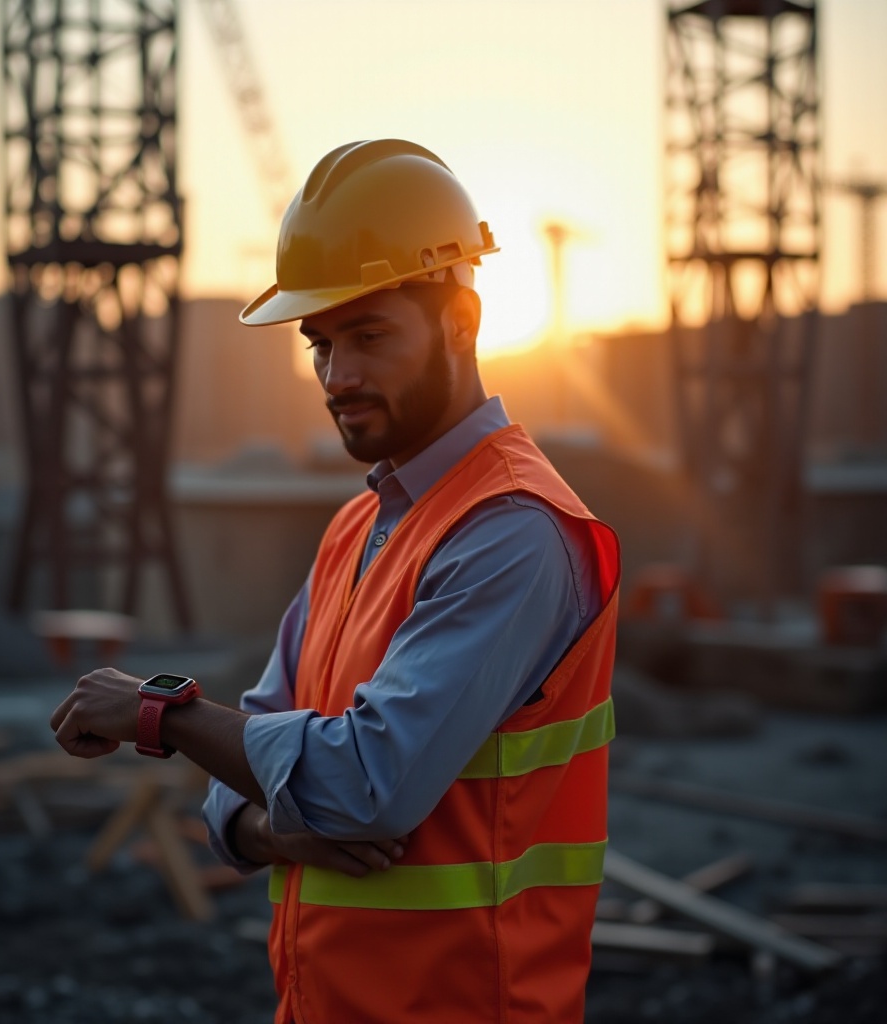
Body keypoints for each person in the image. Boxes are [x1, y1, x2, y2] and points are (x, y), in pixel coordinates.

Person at [50, 139, 621, 1024]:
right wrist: (264, 823)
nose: (337, 376)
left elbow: (362, 788)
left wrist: (158, 711)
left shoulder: (513, 533)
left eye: (369, 335)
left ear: (461, 324)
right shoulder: (358, 527)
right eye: (320, 342)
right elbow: (238, 778)